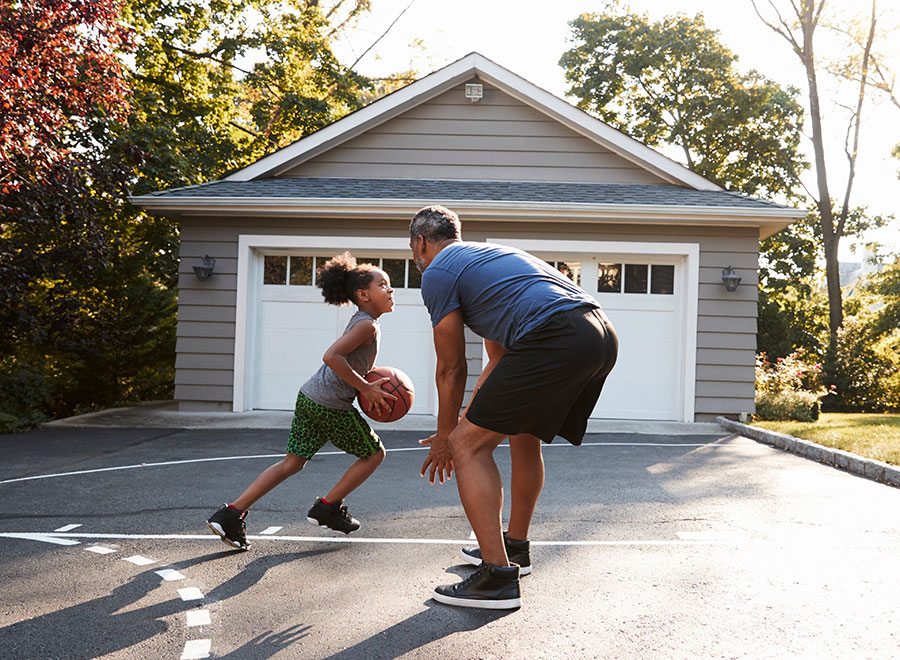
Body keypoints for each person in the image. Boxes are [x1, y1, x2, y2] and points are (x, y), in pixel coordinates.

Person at [410, 205, 618, 609]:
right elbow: (498, 359)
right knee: (522, 434)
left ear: (420, 243)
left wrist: (447, 436)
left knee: (468, 447)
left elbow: (451, 367)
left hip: (555, 335)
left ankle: (496, 579)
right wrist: (472, 415)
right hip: (598, 333)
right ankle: (514, 548)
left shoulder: (438, 272)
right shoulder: (488, 259)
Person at [206, 252, 396, 551]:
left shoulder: (365, 322)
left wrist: (366, 378)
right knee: (374, 454)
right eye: (383, 285)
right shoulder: (367, 326)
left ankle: (231, 513)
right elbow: (331, 357)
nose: (391, 290)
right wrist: (365, 388)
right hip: (329, 404)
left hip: (310, 397)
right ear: (363, 295)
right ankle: (328, 507)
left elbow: (346, 360)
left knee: (292, 462)